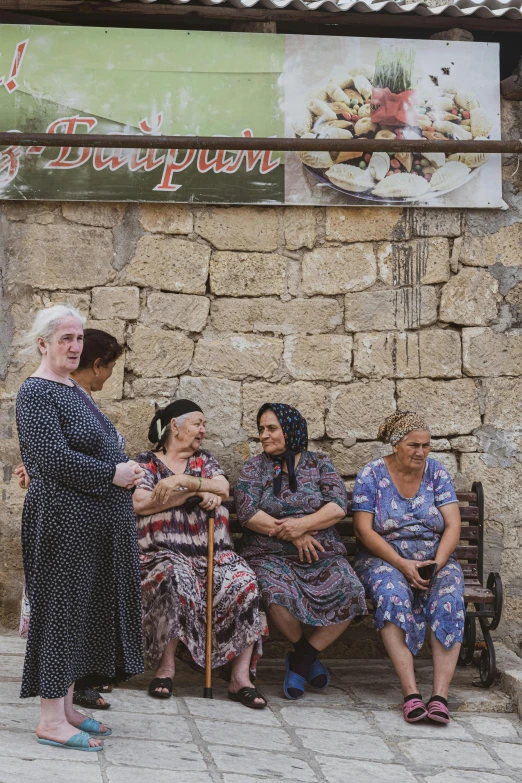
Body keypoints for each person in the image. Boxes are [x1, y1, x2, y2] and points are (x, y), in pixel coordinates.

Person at [16, 305, 144, 752]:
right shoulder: (35, 393)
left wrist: (123, 469)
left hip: (92, 523)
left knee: (81, 612)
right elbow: (48, 459)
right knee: (61, 614)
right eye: (64, 339)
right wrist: (114, 474)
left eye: (77, 338)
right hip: (62, 523)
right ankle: (50, 719)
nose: (74, 347)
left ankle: (68, 707)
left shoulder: (72, 390)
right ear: (43, 344)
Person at [133, 399, 267, 709]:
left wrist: (182, 482)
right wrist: (194, 492)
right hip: (161, 553)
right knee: (175, 576)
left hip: (213, 554)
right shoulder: (146, 463)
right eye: (198, 424)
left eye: (203, 425)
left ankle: (240, 679)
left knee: (245, 580)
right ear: (175, 427)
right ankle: (166, 670)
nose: (203, 431)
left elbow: (221, 487)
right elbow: (140, 503)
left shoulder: (204, 460)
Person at [235, 403, 367, 701]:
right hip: (268, 553)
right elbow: (247, 513)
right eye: (261, 429)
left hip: (321, 553)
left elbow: (337, 506)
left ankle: (303, 658)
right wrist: (294, 535)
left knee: (352, 590)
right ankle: (304, 657)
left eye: (271, 428)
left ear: (290, 430)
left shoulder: (320, 463)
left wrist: (302, 525)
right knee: (274, 593)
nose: (264, 436)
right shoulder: (253, 467)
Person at [353, 411, 464, 725]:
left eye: (426, 445)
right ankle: (411, 694)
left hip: (434, 557)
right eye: (414, 444)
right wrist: (402, 564)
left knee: (449, 596)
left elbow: (453, 525)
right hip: (385, 558)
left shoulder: (437, 473)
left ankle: (439, 696)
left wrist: (435, 564)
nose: (421, 452)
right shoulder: (372, 474)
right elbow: (363, 530)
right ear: (395, 444)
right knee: (392, 595)